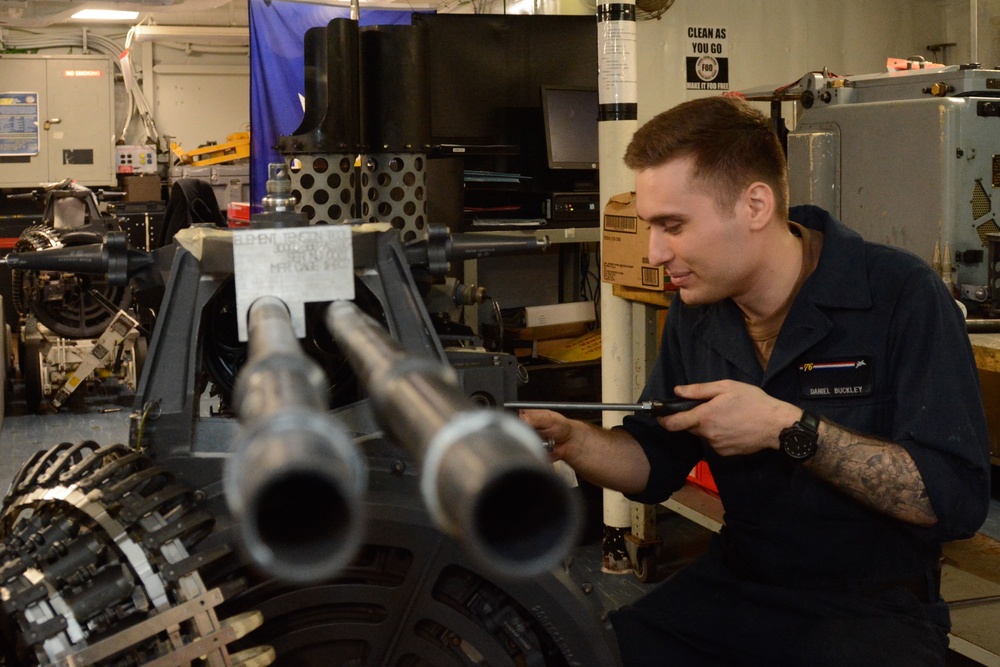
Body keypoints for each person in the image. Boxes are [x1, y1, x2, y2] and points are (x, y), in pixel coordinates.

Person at [520, 96, 991, 666]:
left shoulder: (900, 295)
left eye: (673, 225)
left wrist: (787, 428)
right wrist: (574, 441)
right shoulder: (698, 311)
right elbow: (656, 458)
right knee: (583, 654)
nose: (654, 252)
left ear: (755, 205)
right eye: (651, 228)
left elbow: (953, 501)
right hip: (737, 588)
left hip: (870, 608)